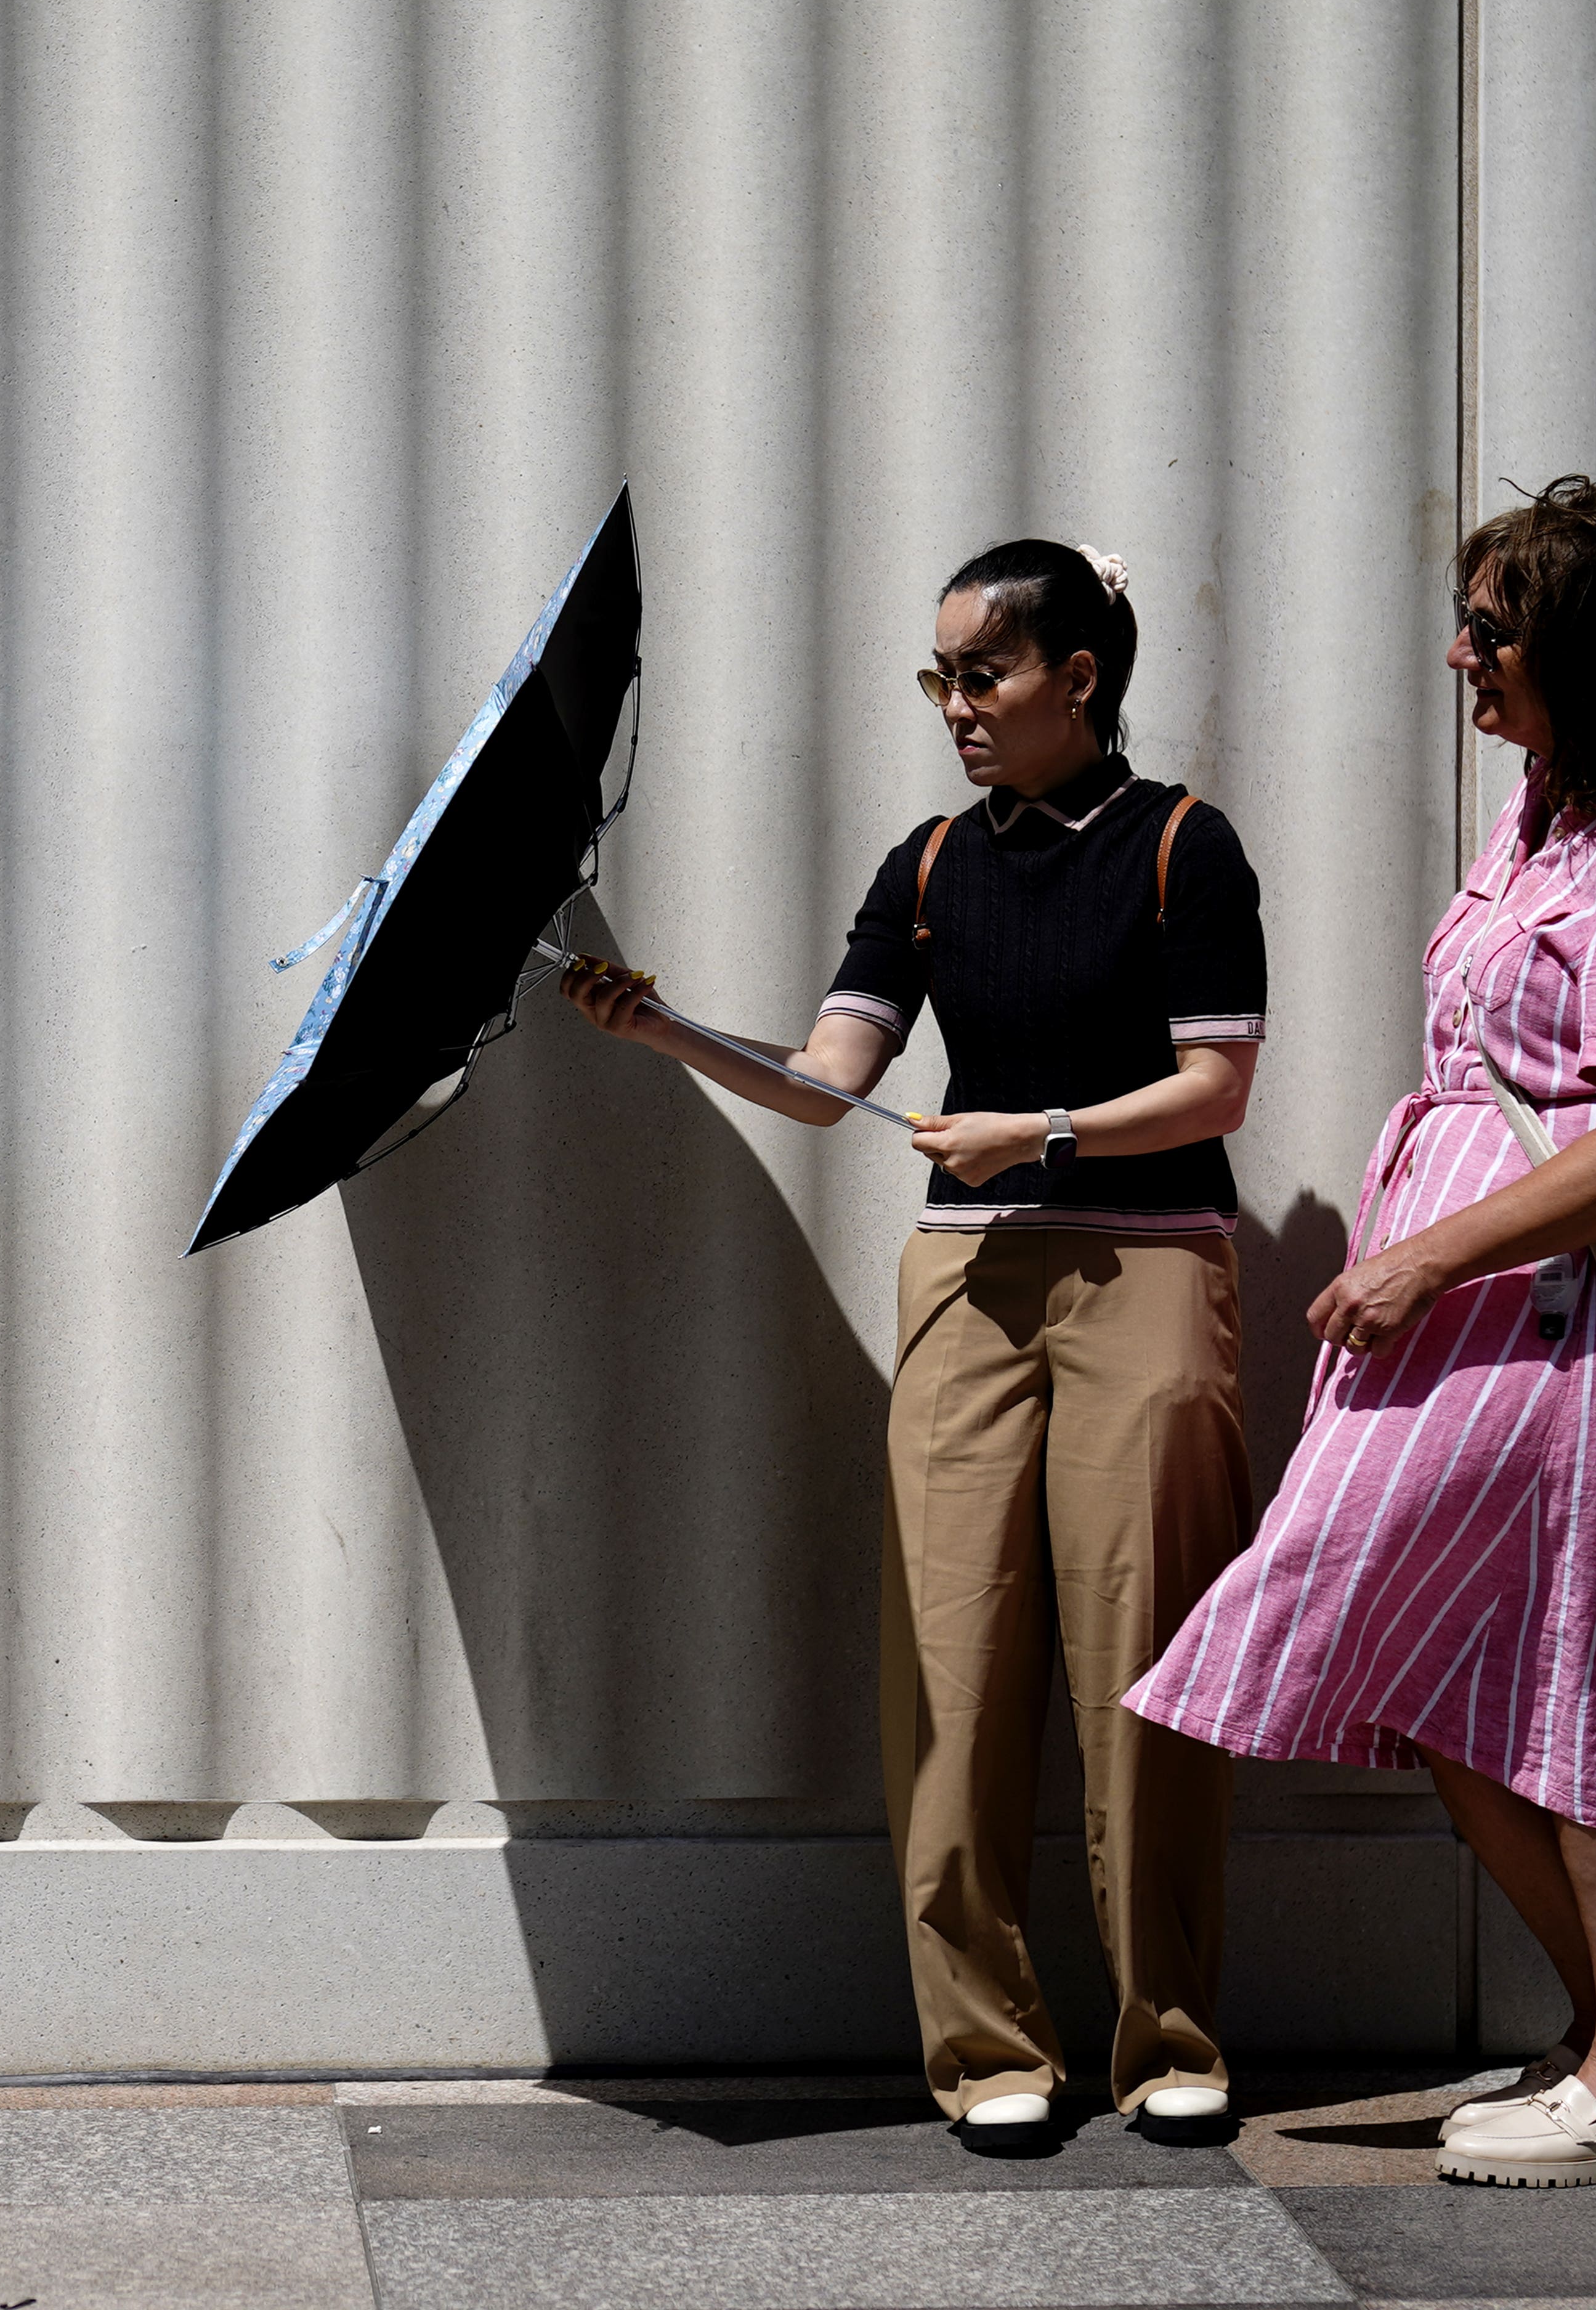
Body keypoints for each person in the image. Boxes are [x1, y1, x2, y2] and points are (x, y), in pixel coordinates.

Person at [560, 540, 1267, 2132]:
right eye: (938, 676)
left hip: (1149, 1268)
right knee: (947, 1669)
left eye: (984, 673)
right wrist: (662, 1029)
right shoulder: (931, 866)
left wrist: (1048, 1136)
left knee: (1141, 1666)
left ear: (1079, 680)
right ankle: (990, 2053)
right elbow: (828, 1077)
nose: (955, 705)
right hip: (965, 1284)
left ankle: (1171, 2046)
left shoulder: (1183, 848)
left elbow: (1219, 1090)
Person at [1124, 477, 1596, 2187]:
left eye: (1493, 629)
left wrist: (1424, 1261)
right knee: (1449, 1672)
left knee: (1571, 1672)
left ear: (1582, 651)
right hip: (1464, 1314)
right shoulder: (1542, 814)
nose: (1460, 657)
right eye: (1466, 622)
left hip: (1565, 1327)